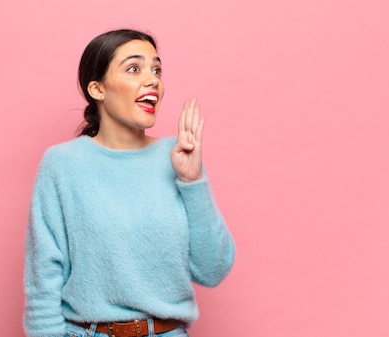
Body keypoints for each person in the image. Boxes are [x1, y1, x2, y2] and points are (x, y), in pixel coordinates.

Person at [24, 29, 235, 337]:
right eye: (134, 68)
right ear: (97, 89)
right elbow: (43, 279)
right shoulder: (63, 164)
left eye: (157, 70)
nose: (153, 80)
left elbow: (213, 270)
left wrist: (193, 181)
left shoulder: (177, 156)